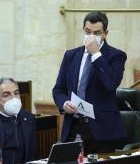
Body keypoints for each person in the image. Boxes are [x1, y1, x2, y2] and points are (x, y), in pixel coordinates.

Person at [52, 11, 127, 154]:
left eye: (97, 33)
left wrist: (96, 54)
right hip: (73, 127)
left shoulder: (116, 56)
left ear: (105, 34)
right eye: (87, 32)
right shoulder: (71, 55)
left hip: (102, 131)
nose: (91, 37)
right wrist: (63, 103)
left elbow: (110, 84)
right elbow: (58, 89)